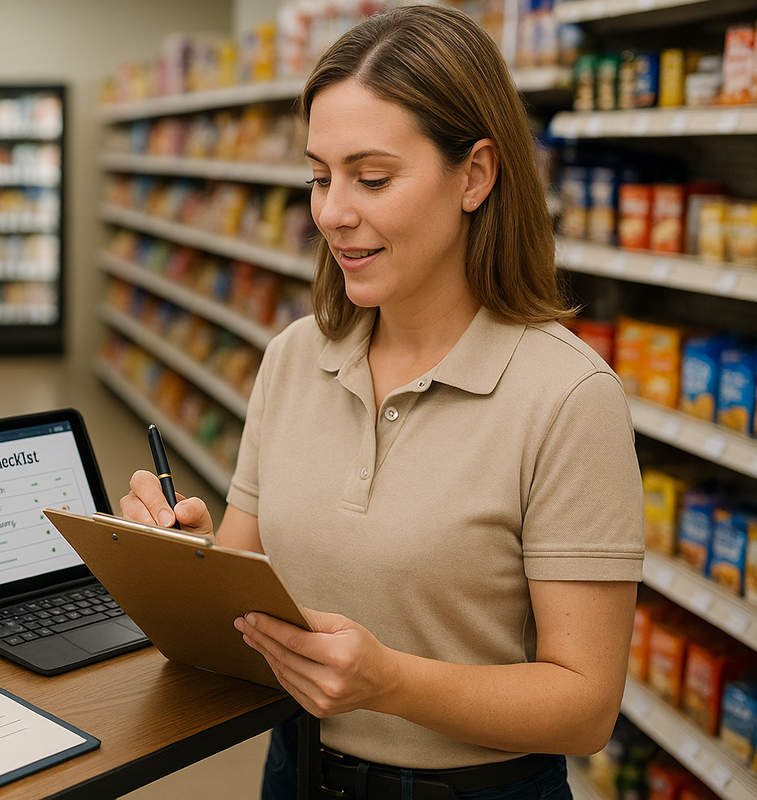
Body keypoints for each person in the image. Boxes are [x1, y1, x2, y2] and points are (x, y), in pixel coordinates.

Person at [120, 6, 643, 799]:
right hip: (294, 770)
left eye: (370, 179)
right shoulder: (296, 358)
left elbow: (585, 706)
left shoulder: (568, 397)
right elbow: (250, 584)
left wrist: (390, 682)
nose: (331, 212)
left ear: (475, 175)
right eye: (319, 177)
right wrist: (186, 560)